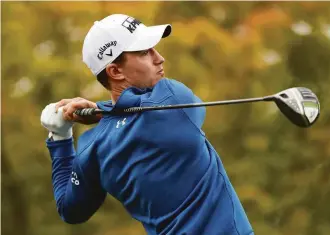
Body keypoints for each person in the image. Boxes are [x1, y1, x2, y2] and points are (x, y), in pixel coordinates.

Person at [40, 14, 254, 235]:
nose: (159, 58)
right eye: (144, 52)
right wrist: (101, 110)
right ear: (115, 71)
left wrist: (60, 137)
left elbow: (70, 210)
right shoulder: (173, 98)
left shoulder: (92, 149)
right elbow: (135, 113)